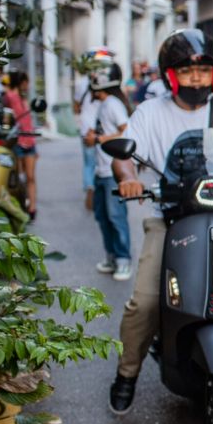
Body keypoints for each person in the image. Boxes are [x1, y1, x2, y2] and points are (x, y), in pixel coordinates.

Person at [108, 28, 213, 415]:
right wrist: (129, 178)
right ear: (170, 75)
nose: (195, 78)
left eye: (202, 70)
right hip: (168, 220)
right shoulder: (150, 112)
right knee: (146, 301)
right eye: (186, 71)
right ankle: (127, 373)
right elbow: (123, 155)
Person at [84, 62, 132, 281]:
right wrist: (92, 136)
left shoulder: (113, 104)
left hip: (113, 171)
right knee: (103, 216)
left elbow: (126, 130)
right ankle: (111, 257)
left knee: (116, 217)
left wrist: (101, 138)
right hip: (100, 170)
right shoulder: (104, 105)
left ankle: (123, 260)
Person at [74, 48, 115, 210]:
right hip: (100, 128)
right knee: (101, 162)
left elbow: (76, 106)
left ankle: (91, 189)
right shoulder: (104, 81)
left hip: (86, 127)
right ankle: (98, 191)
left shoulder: (80, 83)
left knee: (89, 163)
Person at [2, 70, 38, 219]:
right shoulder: (10, 97)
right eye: (25, 83)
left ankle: (32, 208)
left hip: (29, 141)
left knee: (30, 177)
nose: (27, 86)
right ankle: (18, 206)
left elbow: (28, 122)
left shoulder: (24, 99)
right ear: (20, 82)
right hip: (17, 141)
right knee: (16, 178)